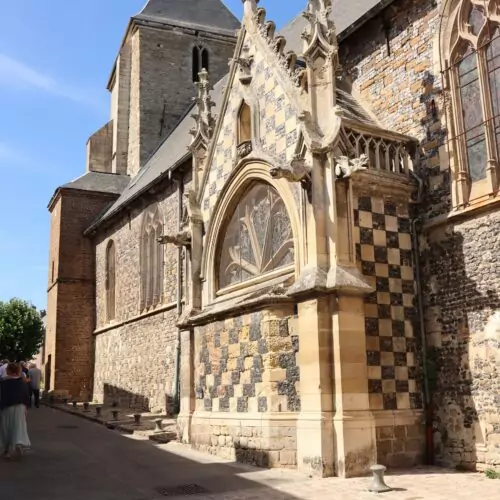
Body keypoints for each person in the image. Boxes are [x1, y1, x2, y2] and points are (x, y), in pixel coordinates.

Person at [0, 363, 31, 458]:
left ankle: (7, 450)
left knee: (6, 428)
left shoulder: (3, 383)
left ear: (8, 371)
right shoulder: (22, 382)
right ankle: (18, 443)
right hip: (20, 407)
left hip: (6, 407)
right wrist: (26, 407)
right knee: (19, 426)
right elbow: (26, 395)